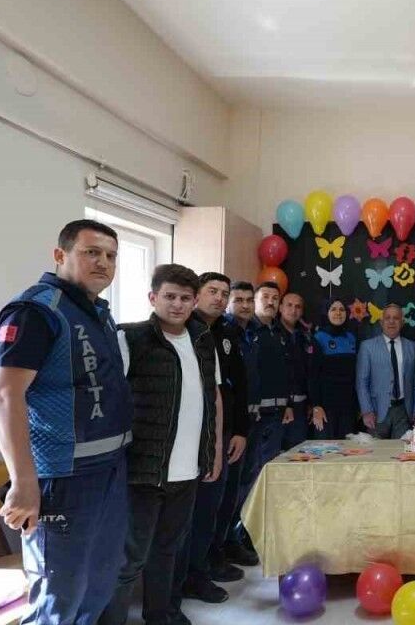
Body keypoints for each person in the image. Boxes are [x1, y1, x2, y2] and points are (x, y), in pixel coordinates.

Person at [0, 219, 133, 624]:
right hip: (62, 477)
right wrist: (23, 482)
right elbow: (4, 395)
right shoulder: (37, 311)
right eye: (92, 252)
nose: (103, 262)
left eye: (111, 256)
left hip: (109, 472)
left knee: (99, 585)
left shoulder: (97, 312)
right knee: (59, 597)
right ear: (60, 255)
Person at [101, 264, 224, 625]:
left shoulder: (203, 340)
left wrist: (213, 451)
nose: (177, 304)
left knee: (168, 550)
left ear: (194, 301)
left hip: (188, 470)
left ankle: (161, 616)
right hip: (143, 471)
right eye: (170, 296)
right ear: (153, 297)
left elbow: (213, 398)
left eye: (185, 298)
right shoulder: (130, 338)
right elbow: (109, 400)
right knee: (130, 558)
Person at [175, 272, 249, 606]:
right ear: (197, 295)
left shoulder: (227, 333)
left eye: (223, 293)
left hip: (222, 433)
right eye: (212, 291)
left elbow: (238, 387)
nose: (219, 298)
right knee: (190, 514)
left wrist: (240, 431)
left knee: (213, 506)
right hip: (187, 437)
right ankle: (188, 576)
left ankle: (204, 565)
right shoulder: (183, 331)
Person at [221, 281, 292, 568]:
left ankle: (239, 538)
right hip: (242, 421)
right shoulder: (231, 334)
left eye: (249, 300)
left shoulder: (264, 333)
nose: (246, 305)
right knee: (237, 484)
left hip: (267, 417)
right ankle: (228, 541)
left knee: (253, 478)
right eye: (239, 300)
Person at [355, 304, 415, 438]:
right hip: (376, 411)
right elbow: (361, 382)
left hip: (404, 411)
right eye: (387, 318)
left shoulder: (413, 347)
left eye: (396, 318)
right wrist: (366, 411)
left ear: (402, 322)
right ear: (381, 322)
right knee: (376, 450)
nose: (391, 321)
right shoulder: (367, 347)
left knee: (401, 449)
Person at [309, 297, 359, 439]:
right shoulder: (318, 338)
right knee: (327, 448)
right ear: (326, 313)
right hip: (326, 406)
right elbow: (313, 375)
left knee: (348, 447)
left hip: (348, 406)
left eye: (342, 309)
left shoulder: (351, 338)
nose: (338, 313)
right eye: (333, 309)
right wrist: (316, 406)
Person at [279, 291, 312, 449]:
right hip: (279, 407)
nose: (293, 310)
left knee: (297, 454)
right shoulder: (272, 332)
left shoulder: (305, 336)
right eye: (289, 305)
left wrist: (311, 402)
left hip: (302, 408)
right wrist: (287, 404)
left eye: (298, 307)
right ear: (280, 308)